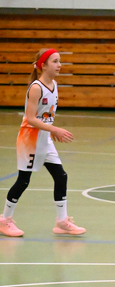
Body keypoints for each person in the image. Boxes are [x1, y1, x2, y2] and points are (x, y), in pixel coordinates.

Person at [0, 48, 86, 238]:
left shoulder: (54, 84)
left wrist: (49, 130)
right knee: (23, 180)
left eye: (60, 61)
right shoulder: (36, 87)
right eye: (55, 61)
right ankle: (4, 220)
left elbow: (46, 115)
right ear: (43, 65)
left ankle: (61, 221)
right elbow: (30, 118)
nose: (59, 65)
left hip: (44, 138)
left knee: (61, 176)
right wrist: (54, 129)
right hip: (29, 138)